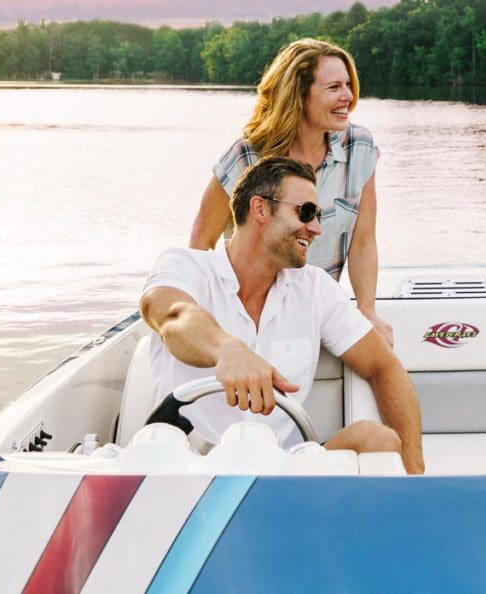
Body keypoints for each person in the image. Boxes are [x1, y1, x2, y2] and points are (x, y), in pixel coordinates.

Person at [142, 156, 424, 474]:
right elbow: (173, 316)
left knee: (377, 440)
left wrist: (416, 480)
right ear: (260, 209)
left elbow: (384, 367)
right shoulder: (185, 266)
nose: (316, 229)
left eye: (319, 217)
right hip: (189, 471)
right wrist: (227, 349)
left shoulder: (315, 288)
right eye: (305, 212)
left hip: (283, 473)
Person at [190, 38, 395, 345]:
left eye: (348, 85)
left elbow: (363, 241)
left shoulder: (359, 148)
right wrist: (206, 322)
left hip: (318, 316)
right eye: (334, 87)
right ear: (299, 95)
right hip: (249, 321)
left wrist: (367, 311)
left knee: (382, 366)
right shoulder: (247, 156)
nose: (348, 97)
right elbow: (201, 243)